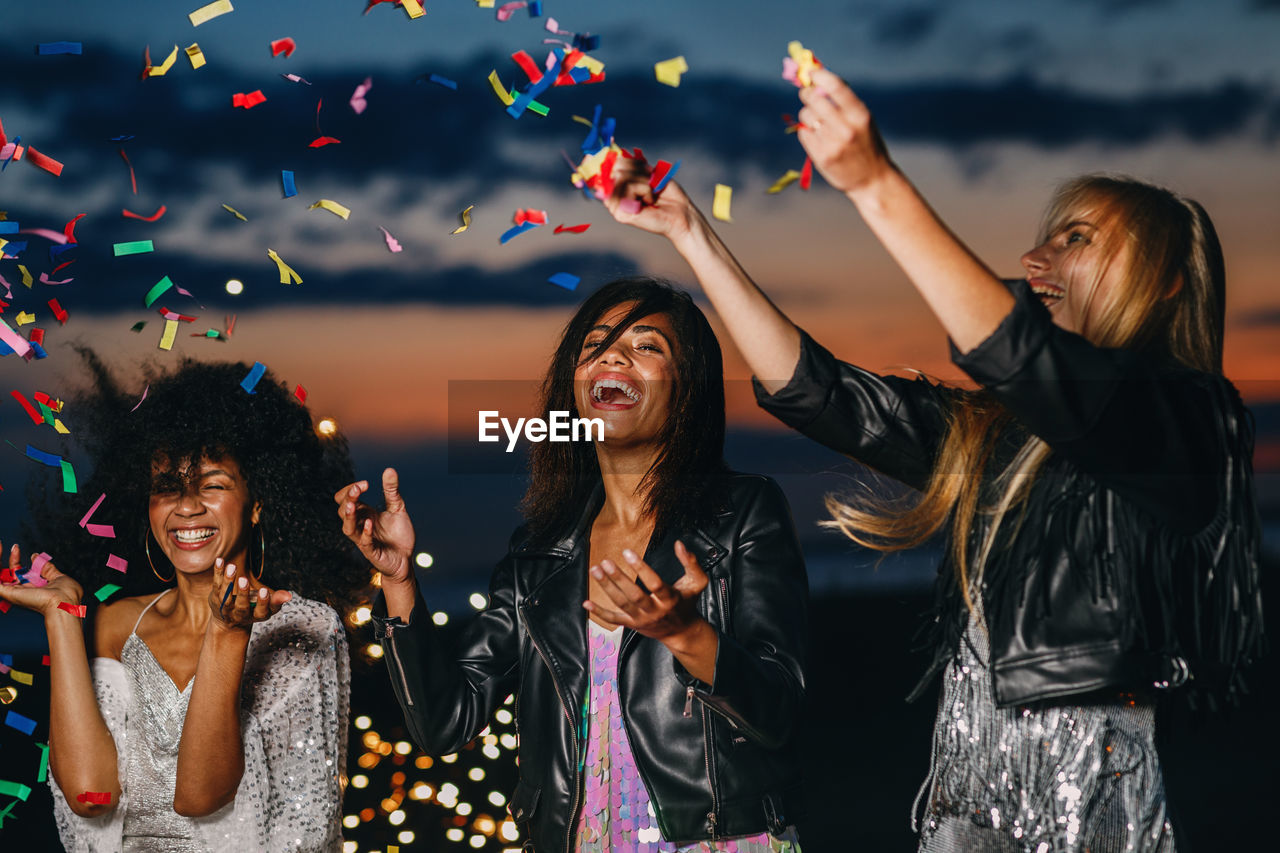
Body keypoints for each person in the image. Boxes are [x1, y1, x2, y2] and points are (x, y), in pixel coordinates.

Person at [604, 68, 1263, 852]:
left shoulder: (1192, 421)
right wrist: (690, 233)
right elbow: (820, 393)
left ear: (1164, 281)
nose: (1035, 255)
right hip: (967, 787)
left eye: (1076, 238)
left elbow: (1018, 352)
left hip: (1103, 793)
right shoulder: (998, 432)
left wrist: (876, 183)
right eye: (1046, 235)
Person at [338, 278, 808, 852]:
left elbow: (780, 709)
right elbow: (446, 722)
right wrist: (399, 578)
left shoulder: (744, 512)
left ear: (689, 389)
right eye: (595, 345)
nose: (612, 355)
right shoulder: (538, 554)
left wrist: (687, 635)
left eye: (647, 345)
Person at [0, 353, 366, 852]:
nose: (187, 507)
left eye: (212, 485)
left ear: (257, 501)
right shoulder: (117, 622)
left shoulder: (301, 629)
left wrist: (227, 632)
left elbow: (200, 796)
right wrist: (61, 615)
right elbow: (90, 797)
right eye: (167, 488)